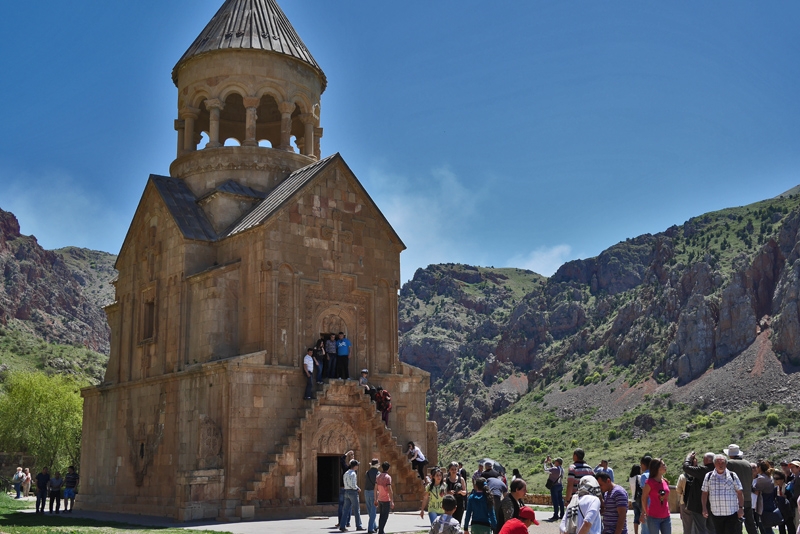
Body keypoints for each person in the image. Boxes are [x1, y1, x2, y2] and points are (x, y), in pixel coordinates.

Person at [702, 454, 745, 534]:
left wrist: (741, 508)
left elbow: (739, 493)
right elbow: (704, 493)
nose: (720, 465)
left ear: (726, 464)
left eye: (722, 463)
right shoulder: (708, 476)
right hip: (716, 513)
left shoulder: (732, 475)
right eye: (718, 463)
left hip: (731, 513)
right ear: (714, 464)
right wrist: (704, 508)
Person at [726, 444, 757, 534]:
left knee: (737, 524)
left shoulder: (729, 464)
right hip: (747, 497)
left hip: (736, 498)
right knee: (750, 523)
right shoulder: (747, 463)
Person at [683, 451, 715, 534]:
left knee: (700, 529)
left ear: (706, 460)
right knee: (711, 529)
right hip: (713, 505)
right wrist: (695, 466)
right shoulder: (716, 471)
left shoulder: (704, 470)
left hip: (699, 506)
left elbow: (686, 468)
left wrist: (688, 458)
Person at [641, 458, 670, 534]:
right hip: (653, 517)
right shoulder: (649, 482)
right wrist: (646, 511)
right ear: (657, 468)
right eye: (663, 465)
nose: (665, 466)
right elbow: (644, 498)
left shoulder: (665, 481)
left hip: (666, 516)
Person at [341, 459, 363, 532]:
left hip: (346, 491)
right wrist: (357, 489)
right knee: (356, 509)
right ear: (355, 466)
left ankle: (342, 525)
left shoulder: (346, 473)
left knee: (345, 510)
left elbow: (345, 482)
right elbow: (353, 484)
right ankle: (358, 525)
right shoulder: (353, 473)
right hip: (353, 492)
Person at [336, 450, 355, 530]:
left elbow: (341, 460)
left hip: (343, 487)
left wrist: (347, 454)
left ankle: (341, 522)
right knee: (348, 505)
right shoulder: (354, 471)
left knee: (341, 505)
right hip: (349, 489)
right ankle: (347, 522)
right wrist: (352, 456)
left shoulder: (345, 469)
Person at [375, 461, 394, 534]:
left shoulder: (378, 476)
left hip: (380, 498)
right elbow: (389, 489)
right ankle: (381, 531)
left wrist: (375, 499)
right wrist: (392, 501)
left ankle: (380, 530)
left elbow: (375, 488)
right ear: (388, 468)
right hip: (386, 499)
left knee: (381, 515)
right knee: (385, 516)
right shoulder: (388, 477)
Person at [545, 456, 565, 521]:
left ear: (557, 462)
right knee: (560, 501)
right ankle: (562, 514)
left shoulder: (555, 469)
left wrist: (545, 463)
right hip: (560, 486)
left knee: (555, 501)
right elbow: (553, 468)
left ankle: (555, 515)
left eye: (555, 461)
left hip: (554, 486)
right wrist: (550, 463)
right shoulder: (562, 469)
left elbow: (546, 470)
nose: (555, 462)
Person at [365, 459, 380, 533]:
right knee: (373, 511)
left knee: (369, 511)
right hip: (373, 492)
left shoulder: (367, 472)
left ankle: (374, 525)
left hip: (366, 492)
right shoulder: (378, 473)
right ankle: (370, 528)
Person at [628, 465, 642, 534]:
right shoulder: (639, 477)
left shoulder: (630, 478)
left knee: (636, 516)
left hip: (633, 499)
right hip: (639, 499)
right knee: (642, 515)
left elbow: (631, 488)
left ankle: (636, 532)